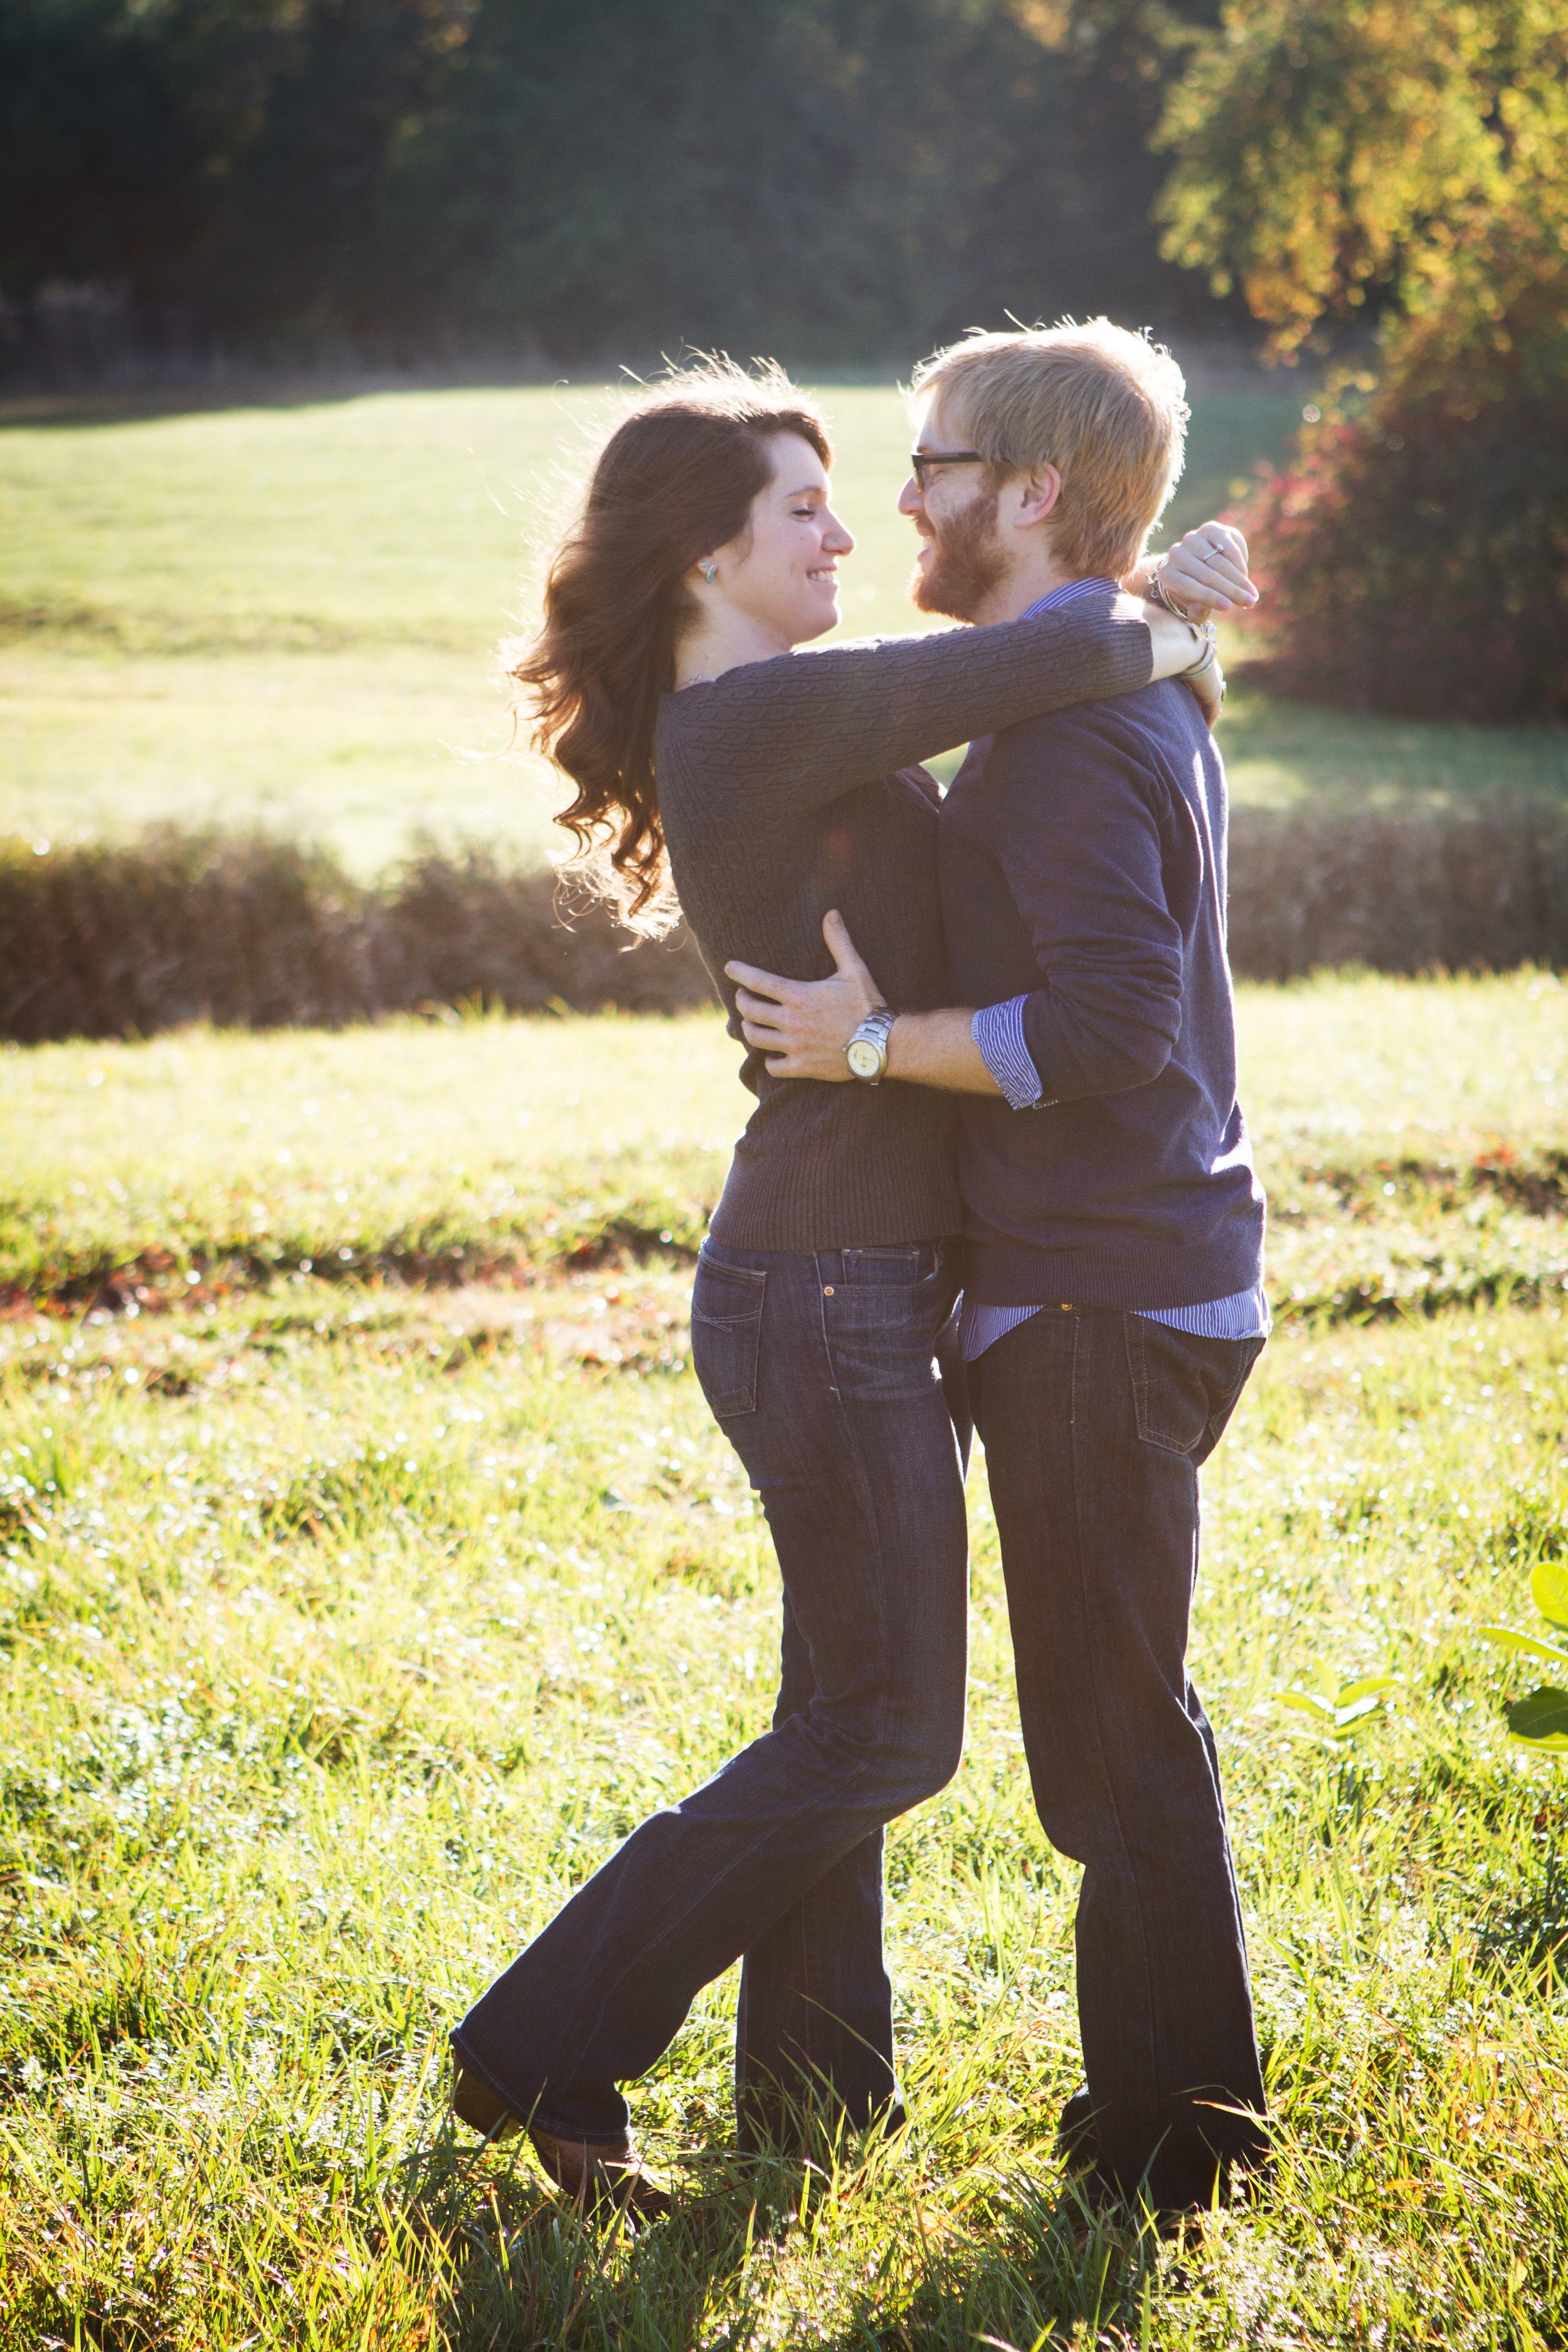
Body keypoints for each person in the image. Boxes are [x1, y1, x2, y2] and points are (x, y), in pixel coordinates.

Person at [447, 356, 1253, 2219]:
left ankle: (813, 2095)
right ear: (702, 561)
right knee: (888, 1726)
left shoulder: (798, 715)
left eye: (865, 488)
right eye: (802, 505)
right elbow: (1033, 664)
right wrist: (1158, 610)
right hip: (820, 1279)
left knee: (848, 1706)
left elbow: (1046, 679)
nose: (849, 523)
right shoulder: (751, 724)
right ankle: (544, 2041)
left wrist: (1154, 625)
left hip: (864, 1271)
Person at [726, 322, 1270, 2220]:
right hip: (1137, 1274)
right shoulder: (1119, 687)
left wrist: (869, 1047)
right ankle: (1168, 2117)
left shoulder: (1055, 737)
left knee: (1110, 1748)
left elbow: (1111, 1025)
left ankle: (1176, 2152)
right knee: (1115, 1725)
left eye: (934, 461)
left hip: (1103, 1298)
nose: (902, 498)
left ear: (1031, 490)